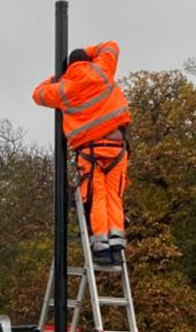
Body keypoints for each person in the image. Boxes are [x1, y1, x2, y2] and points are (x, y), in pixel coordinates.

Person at [33, 39, 131, 266]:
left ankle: (101, 246)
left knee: (96, 197)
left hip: (90, 151)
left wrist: (59, 75)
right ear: (88, 61)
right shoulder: (102, 70)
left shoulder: (64, 88)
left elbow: (37, 94)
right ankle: (117, 241)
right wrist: (88, 54)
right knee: (114, 195)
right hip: (117, 148)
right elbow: (111, 45)